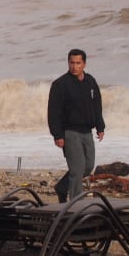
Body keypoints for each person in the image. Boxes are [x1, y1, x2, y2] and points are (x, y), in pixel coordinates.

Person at [47, 48, 105, 203]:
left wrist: (100, 127)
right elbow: (53, 112)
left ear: (84, 64)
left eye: (78, 63)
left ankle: (62, 187)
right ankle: (75, 205)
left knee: (88, 166)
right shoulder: (60, 84)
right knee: (77, 169)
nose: (74, 66)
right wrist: (57, 135)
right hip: (69, 132)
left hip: (87, 131)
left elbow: (97, 105)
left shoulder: (90, 82)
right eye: (71, 63)